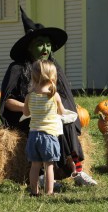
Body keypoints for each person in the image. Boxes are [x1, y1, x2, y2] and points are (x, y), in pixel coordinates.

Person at [0, 6, 97, 186]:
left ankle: (77, 171)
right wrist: (32, 108)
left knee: (65, 124)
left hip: (51, 115)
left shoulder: (54, 67)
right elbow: (6, 102)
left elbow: (65, 97)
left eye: (48, 43)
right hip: (27, 117)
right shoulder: (17, 69)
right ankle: (43, 174)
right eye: (40, 43)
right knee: (44, 128)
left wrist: (59, 112)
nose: (45, 47)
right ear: (29, 47)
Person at [23, 59, 64, 196]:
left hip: (34, 135)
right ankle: (49, 192)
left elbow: (26, 113)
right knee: (49, 166)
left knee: (35, 166)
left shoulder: (29, 96)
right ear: (53, 77)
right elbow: (62, 112)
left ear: (33, 77)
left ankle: (34, 191)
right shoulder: (54, 96)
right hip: (49, 136)